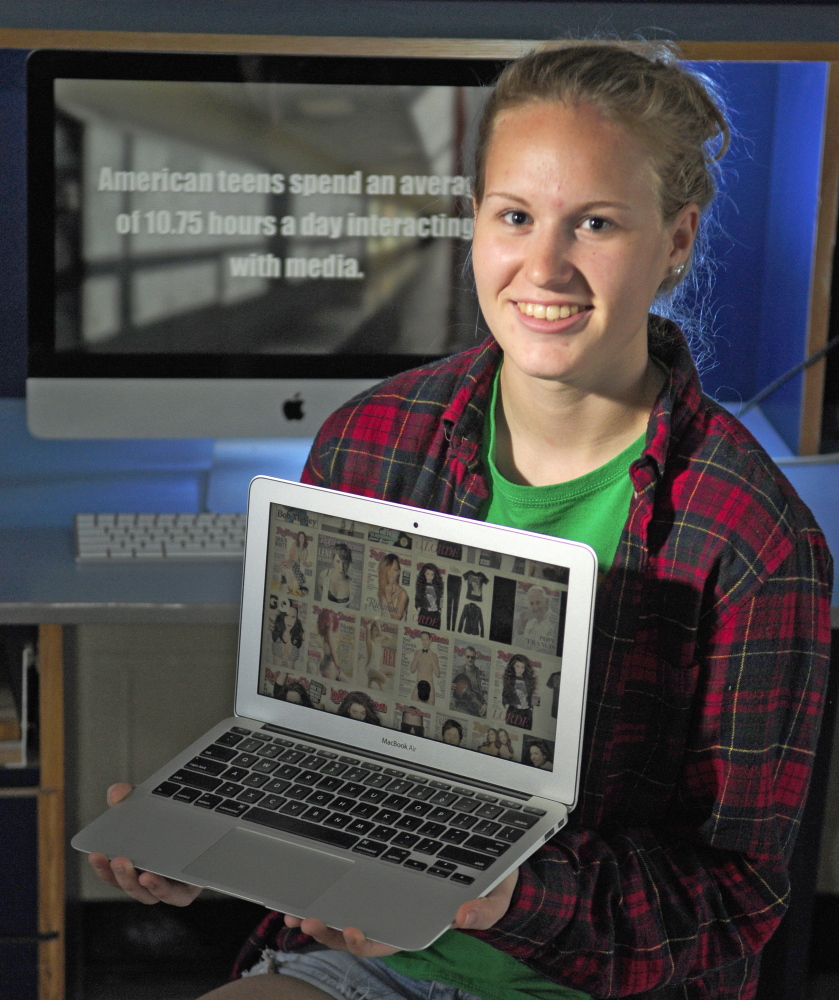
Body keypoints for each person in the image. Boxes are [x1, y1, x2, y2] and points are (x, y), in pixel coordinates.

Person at [88, 41, 832, 1000]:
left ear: (678, 240)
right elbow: (323, 746)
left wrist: (507, 896)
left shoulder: (752, 540)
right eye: (514, 215)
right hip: (360, 965)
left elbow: (734, 897)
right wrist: (232, 843)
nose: (544, 265)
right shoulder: (370, 441)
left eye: (595, 223)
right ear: (474, 222)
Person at [501, 652, 537, 730]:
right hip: (514, 711)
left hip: (526, 712)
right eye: (517, 666)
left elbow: (532, 695)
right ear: (513, 666)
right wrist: (507, 705)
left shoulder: (529, 680)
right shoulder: (509, 679)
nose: (520, 670)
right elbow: (505, 693)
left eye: (522, 667)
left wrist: (530, 708)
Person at [408, 630, 441, 705]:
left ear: (430, 640)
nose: (424, 642)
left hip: (430, 685)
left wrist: (431, 657)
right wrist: (417, 656)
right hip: (418, 683)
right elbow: (412, 670)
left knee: (430, 711)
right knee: (411, 707)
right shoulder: (417, 652)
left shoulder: (434, 655)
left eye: (426, 639)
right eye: (422, 639)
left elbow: (437, 674)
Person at [319, 541, 353, 605]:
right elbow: (320, 587)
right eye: (338, 561)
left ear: (349, 563)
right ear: (333, 560)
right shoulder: (324, 574)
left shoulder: (352, 585)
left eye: (345, 563)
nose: (341, 568)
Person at [377, 552, 409, 620]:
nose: (391, 573)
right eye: (388, 570)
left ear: (398, 572)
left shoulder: (402, 594)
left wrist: (388, 597)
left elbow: (396, 619)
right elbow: (383, 614)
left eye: (394, 570)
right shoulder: (383, 587)